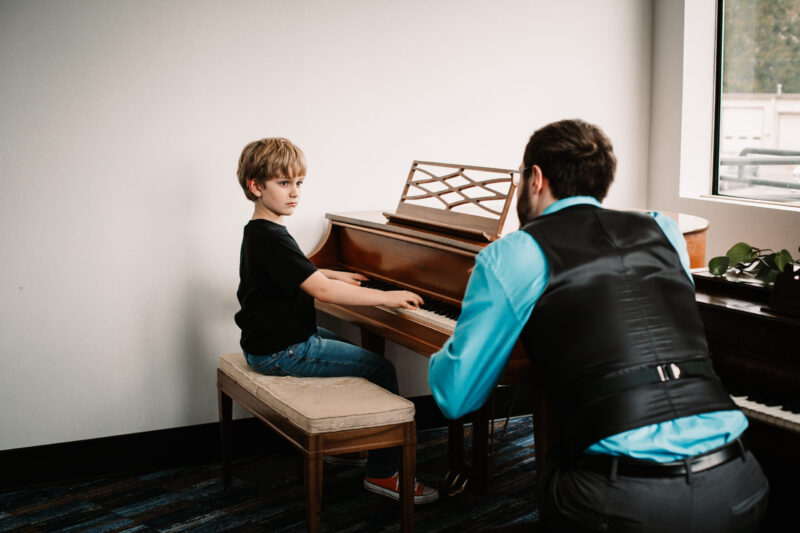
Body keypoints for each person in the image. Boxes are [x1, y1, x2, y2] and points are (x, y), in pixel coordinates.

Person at [428, 120, 768, 531]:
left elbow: (455, 397)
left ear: (535, 178)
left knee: (552, 478)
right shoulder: (663, 230)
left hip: (630, 501)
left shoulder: (514, 252)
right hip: (740, 482)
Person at [234, 137, 438, 504]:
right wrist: (386, 296)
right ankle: (383, 473)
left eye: (299, 183)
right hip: (284, 352)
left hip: (270, 343)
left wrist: (330, 273)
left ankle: (363, 440)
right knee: (382, 369)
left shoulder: (261, 232)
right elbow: (323, 294)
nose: (294, 193)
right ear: (256, 186)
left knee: (347, 350)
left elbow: (294, 273)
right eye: (283, 183)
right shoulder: (273, 238)